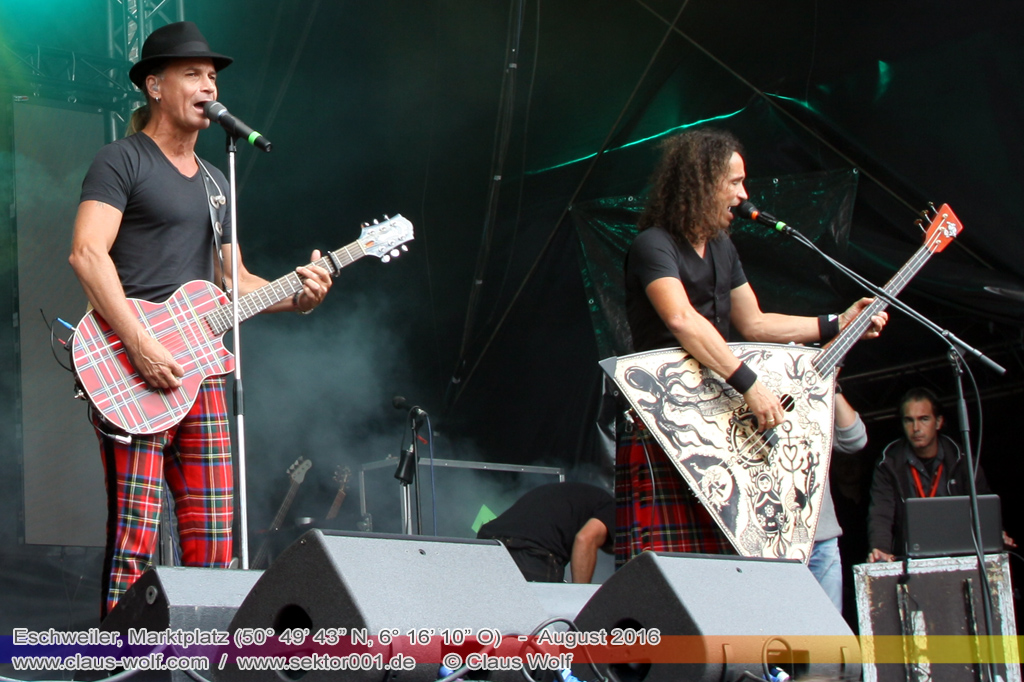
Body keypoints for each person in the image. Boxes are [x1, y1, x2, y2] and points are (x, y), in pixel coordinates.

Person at [68, 21, 333, 617]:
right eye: (193, 74)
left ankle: (201, 655)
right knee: (137, 531)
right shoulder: (121, 160)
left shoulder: (217, 183)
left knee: (214, 531)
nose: (208, 85)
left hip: (203, 371)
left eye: (212, 76)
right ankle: (120, 662)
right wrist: (139, 343)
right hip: (130, 362)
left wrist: (302, 294)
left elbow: (235, 282)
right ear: (155, 86)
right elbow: (87, 252)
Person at [616, 128, 887, 566]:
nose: (744, 195)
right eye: (735, 183)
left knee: (730, 552)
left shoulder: (723, 247)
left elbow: (755, 322)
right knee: (677, 566)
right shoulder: (654, 245)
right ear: (702, 183)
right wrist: (750, 384)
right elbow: (682, 319)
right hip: (666, 413)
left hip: (712, 408)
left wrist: (836, 322)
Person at [867, 387, 1014, 562]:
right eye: (909, 420)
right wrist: (880, 548)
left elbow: (983, 502)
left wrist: (995, 533)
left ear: (938, 422)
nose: (916, 428)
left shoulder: (962, 459)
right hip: (911, 557)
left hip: (960, 554)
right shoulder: (888, 462)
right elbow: (881, 512)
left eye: (924, 419)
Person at [477, 482, 614, 583]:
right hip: (531, 553)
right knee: (536, 619)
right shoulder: (616, 509)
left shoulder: (578, 496)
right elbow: (585, 539)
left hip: (491, 545)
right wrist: (582, 599)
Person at [810, 393, 867, 612]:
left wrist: (833, 386)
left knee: (829, 639)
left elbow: (855, 440)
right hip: (771, 542)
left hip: (822, 537)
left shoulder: (811, 394)